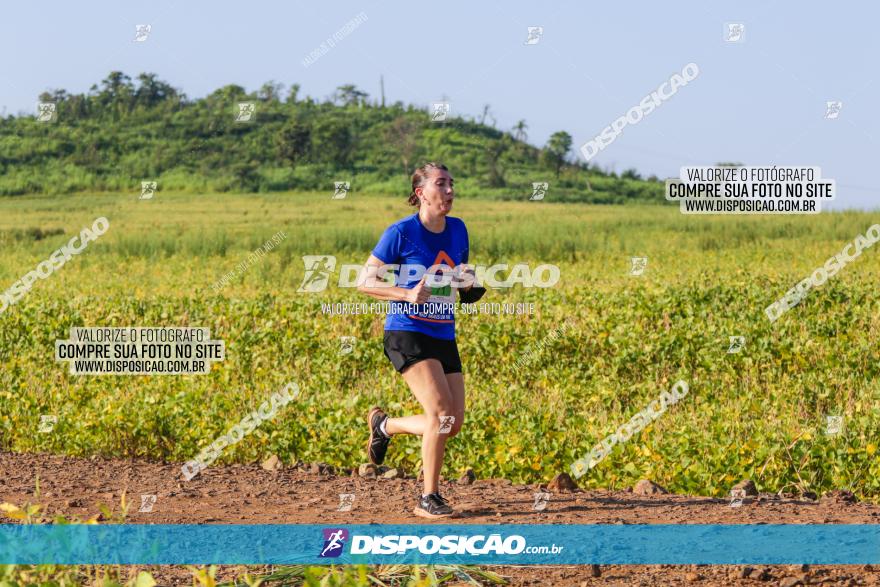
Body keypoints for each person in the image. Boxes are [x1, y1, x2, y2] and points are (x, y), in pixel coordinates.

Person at [356, 162, 483, 518]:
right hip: (407, 331)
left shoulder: (458, 230)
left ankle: (385, 426)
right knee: (439, 414)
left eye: (451, 184)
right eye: (441, 184)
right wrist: (405, 293)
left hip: (444, 333)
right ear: (420, 193)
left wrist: (468, 282)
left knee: (451, 423)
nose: (449, 191)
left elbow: (461, 280)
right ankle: (429, 497)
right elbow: (365, 281)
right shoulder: (400, 232)